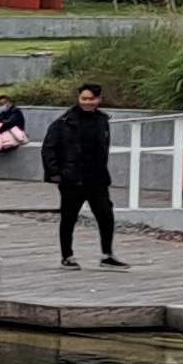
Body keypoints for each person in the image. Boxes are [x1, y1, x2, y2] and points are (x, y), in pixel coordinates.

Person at [49, 82, 123, 267]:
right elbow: (49, 148)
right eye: (84, 98)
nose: (88, 102)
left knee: (106, 215)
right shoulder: (63, 122)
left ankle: (107, 254)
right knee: (69, 217)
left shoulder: (102, 120)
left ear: (99, 99)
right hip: (71, 178)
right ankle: (67, 255)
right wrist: (55, 172)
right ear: (78, 98)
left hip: (97, 178)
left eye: (92, 99)